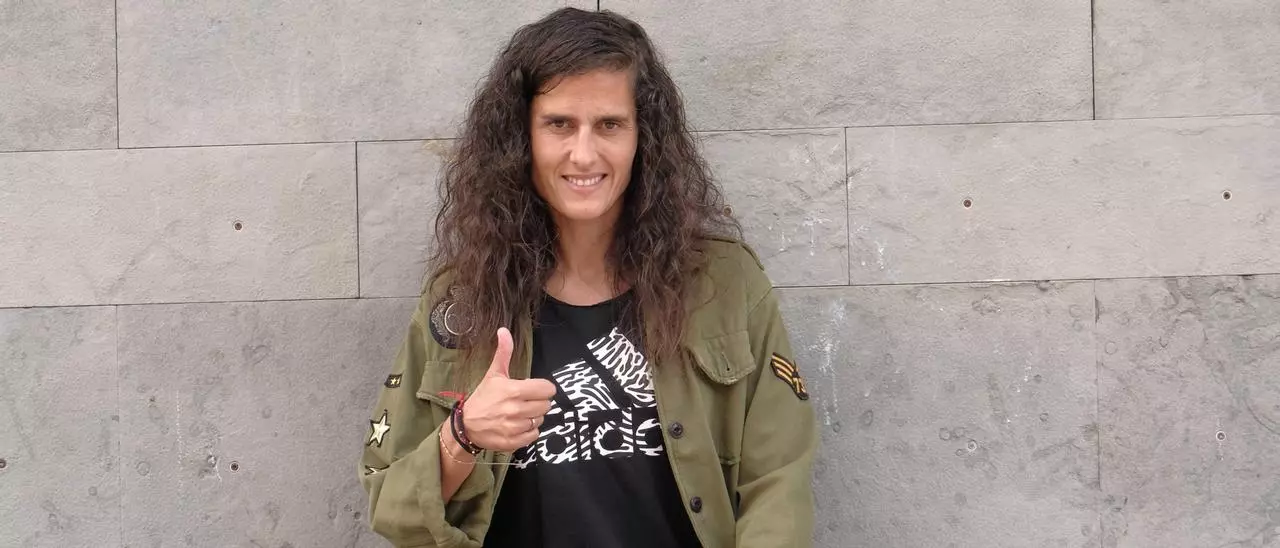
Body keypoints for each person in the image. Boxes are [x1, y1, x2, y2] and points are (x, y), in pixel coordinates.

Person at [358, 7, 816, 547]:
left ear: (644, 137)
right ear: (522, 138)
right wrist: (464, 433)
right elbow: (391, 503)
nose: (583, 153)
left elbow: (777, 482)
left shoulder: (725, 283)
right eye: (559, 124)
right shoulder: (461, 298)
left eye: (609, 125)